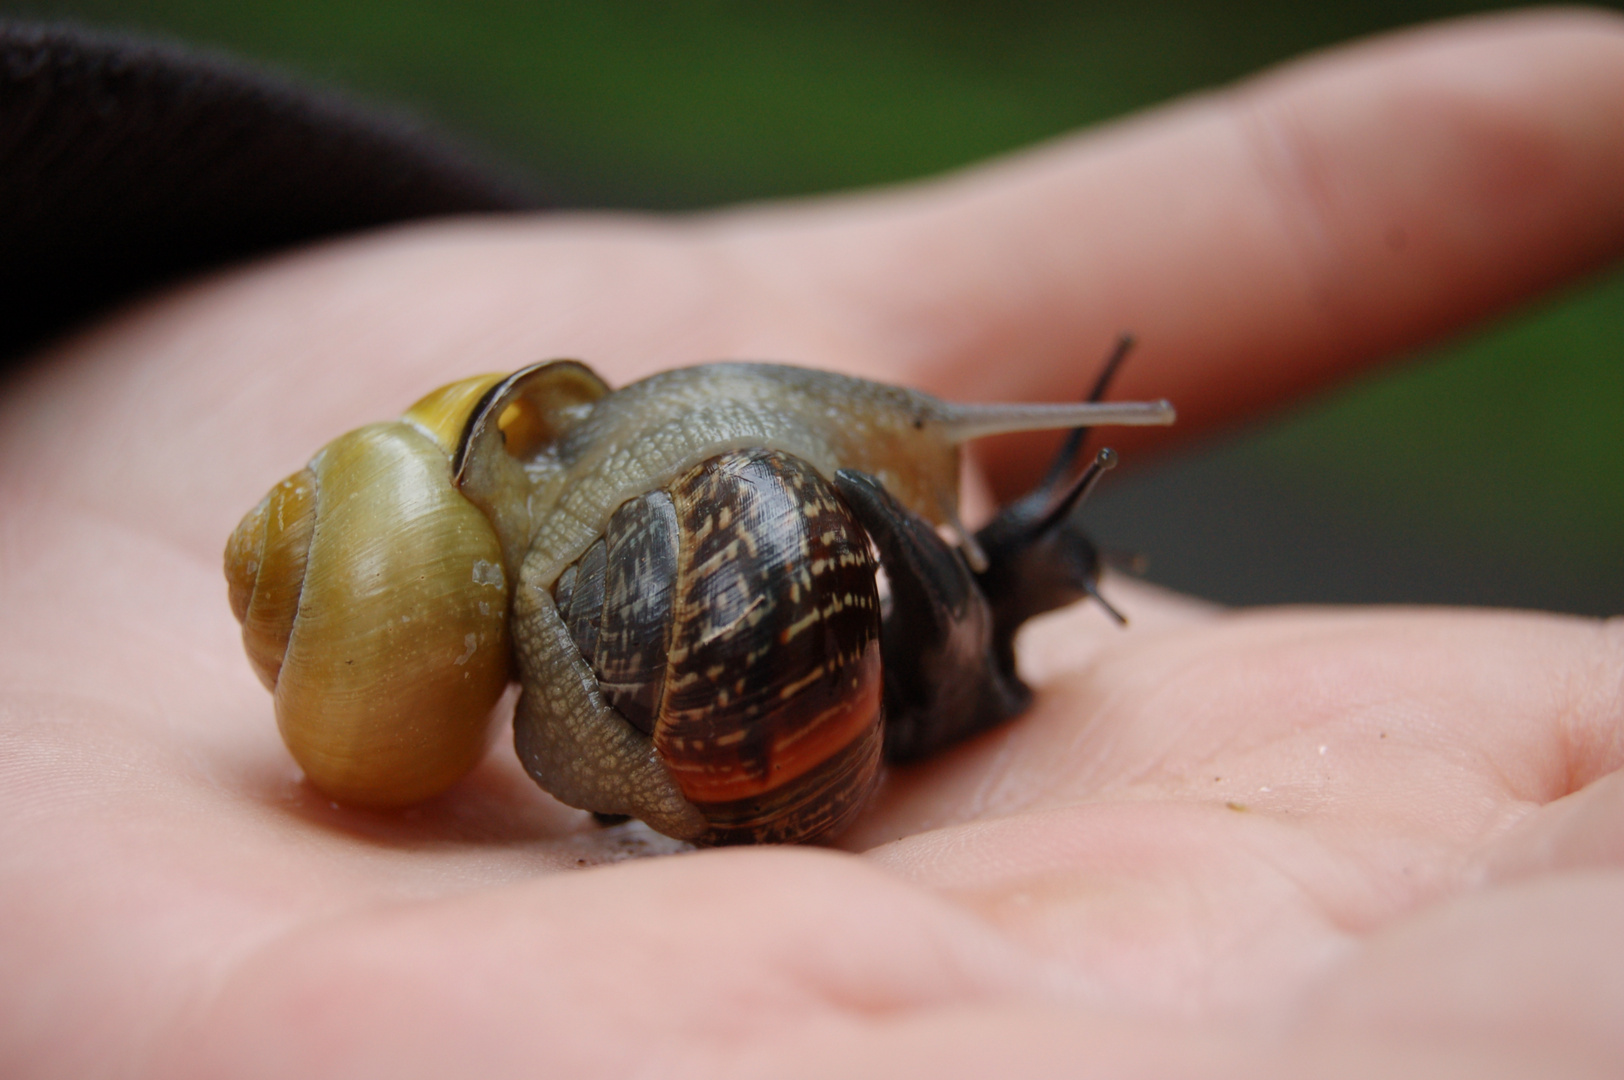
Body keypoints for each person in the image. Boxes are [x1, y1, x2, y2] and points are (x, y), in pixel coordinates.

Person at [1, 9, 1621, 1077]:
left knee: (809, 504)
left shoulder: (573, 553)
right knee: (818, 517)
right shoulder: (564, 579)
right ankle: (967, 635)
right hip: (687, 692)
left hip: (686, 675)